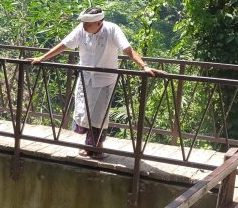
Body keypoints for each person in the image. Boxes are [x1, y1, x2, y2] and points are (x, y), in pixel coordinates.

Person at [30, 8, 162, 160]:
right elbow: (64, 44)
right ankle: (88, 145)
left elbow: (127, 49)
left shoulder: (112, 30)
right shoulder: (81, 29)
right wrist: (42, 58)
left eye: (88, 23)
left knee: (99, 114)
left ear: (99, 22)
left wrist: (144, 66)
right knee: (84, 110)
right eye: (84, 23)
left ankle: (98, 147)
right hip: (86, 77)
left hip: (105, 79)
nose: (85, 26)